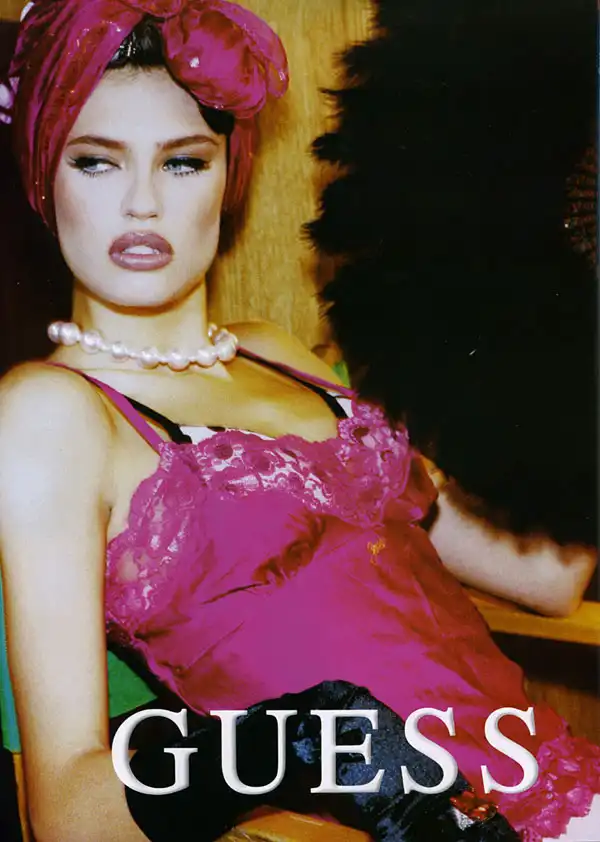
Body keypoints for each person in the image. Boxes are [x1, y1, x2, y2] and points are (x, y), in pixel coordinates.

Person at [0, 2, 597, 842]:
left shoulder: (278, 353)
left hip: (572, 793)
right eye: (95, 162)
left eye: (183, 162)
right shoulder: (50, 413)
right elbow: (66, 815)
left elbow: (547, 576)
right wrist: (293, 742)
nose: (141, 204)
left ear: (228, 176)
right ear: (44, 175)